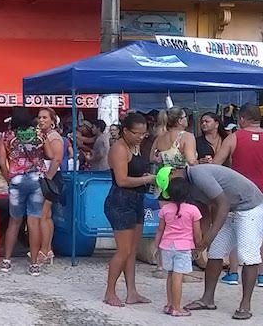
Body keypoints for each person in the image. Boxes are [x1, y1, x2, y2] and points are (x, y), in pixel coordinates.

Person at [181, 165, 263, 320]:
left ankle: (245, 305)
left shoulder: (198, 174)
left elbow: (223, 204)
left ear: (174, 172)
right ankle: (207, 299)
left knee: (247, 256)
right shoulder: (187, 186)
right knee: (215, 252)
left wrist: (208, 238)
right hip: (230, 209)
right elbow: (204, 211)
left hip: (250, 207)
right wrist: (202, 240)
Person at [103, 113, 156, 307]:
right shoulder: (119, 148)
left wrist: (145, 176)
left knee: (132, 250)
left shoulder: (136, 146)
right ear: (125, 131)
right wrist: (147, 179)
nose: (140, 137)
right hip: (121, 201)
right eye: (136, 133)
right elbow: (122, 180)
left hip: (137, 199)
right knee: (123, 250)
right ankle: (110, 292)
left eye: (143, 133)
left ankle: (132, 292)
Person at [212, 102, 263, 288]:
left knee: (234, 233)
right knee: (260, 236)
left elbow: (215, 166)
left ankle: (233, 272)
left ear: (242, 119)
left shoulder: (234, 138)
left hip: (240, 196)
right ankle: (261, 275)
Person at [0, 107, 46, 276]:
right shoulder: (39, 134)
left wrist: (9, 179)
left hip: (17, 180)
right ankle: (34, 264)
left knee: (14, 222)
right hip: (36, 180)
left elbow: (2, 162)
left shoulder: (7, 136)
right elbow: (48, 153)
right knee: (34, 222)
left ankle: (6, 261)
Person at [153, 178, 203, 317]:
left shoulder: (165, 209)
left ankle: (169, 305)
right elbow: (197, 233)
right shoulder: (193, 210)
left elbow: (160, 229)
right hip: (183, 248)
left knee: (170, 274)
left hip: (167, 246)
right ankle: (176, 308)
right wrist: (199, 247)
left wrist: (157, 247)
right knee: (178, 277)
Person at [37, 108, 63, 266]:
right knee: (46, 215)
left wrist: (48, 178)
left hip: (51, 178)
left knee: (43, 215)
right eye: (39, 117)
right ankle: (48, 249)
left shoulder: (53, 136)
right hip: (46, 178)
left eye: (44, 117)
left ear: (52, 121)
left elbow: (57, 159)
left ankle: (44, 250)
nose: (41, 120)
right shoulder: (44, 135)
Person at [151, 107, 198, 177]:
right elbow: (191, 161)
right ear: (180, 120)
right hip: (181, 179)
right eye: (185, 117)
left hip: (163, 178)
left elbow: (152, 159)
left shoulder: (159, 138)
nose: (187, 119)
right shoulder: (187, 136)